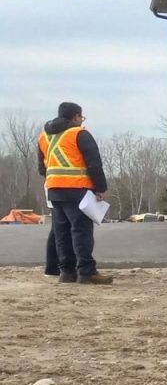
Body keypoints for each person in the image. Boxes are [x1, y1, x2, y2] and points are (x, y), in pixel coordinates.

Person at [38, 101, 113, 285]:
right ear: (75, 117)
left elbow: (42, 168)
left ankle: (66, 272)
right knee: (81, 231)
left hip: (54, 189)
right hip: (77, 189)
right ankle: (87, 272)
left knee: (61, 231)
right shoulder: (79, 133)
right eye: (81, 117)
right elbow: (94, 162)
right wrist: (100, 187)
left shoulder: (44, 137)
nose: (82, 120)